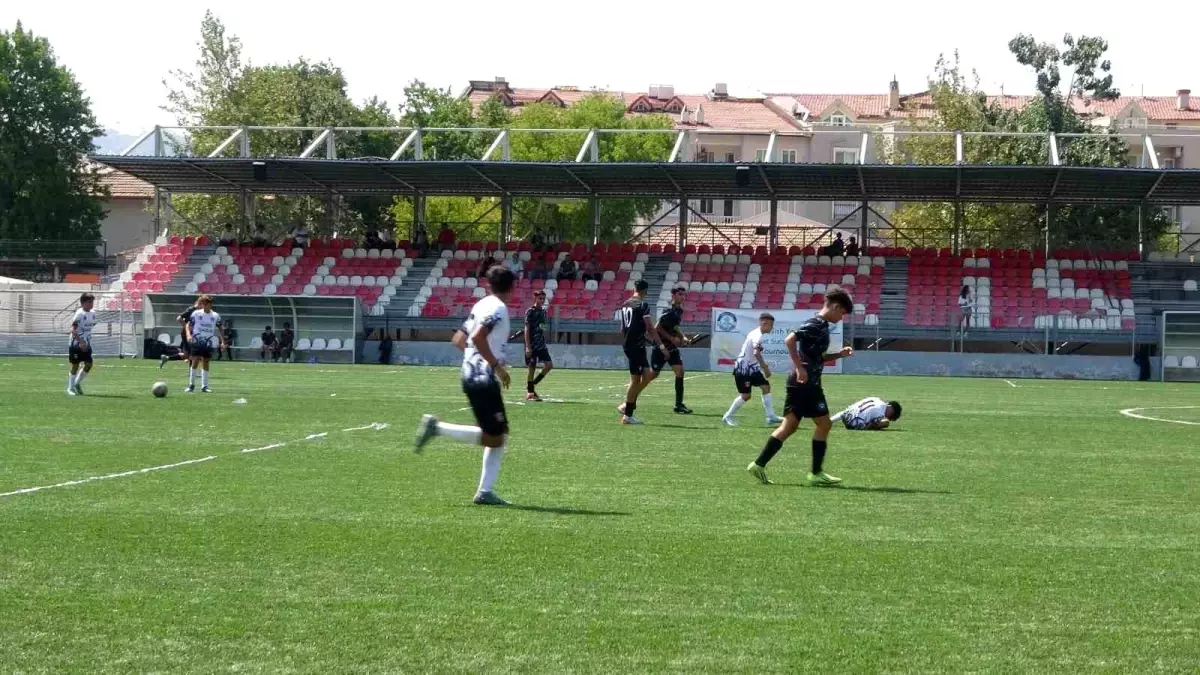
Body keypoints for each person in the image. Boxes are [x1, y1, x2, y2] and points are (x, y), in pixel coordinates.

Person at [413, 266, 516, 506]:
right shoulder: (498, 308)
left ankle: (485, 491)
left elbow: (459, 339)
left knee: (499, 434)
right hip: (482, 379)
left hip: (471, 375)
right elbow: (478, 337)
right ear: (512, 287)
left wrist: (480, 358)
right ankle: (437, 428)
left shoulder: (480, 305)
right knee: (495, 438)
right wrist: (495, 364)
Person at [746, 287, 855, 486]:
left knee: (790, 426)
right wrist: (800, 368)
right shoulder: (816, 324)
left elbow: (817, 357)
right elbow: (789, 339)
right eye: (842, 313)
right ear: (835, 306)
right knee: (823, 424)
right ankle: (815, 473)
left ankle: (758, 464)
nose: (841, 318)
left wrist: (839, 355)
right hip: (806, 384)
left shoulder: (821, 326)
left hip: (803, 384)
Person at [616, 279, 669, 425]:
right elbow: (650, 328)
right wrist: (662, 347)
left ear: (635, 288)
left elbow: (623, 327)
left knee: (647, 376)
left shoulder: (625, 304)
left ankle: (627, 405)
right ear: (645, 291)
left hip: (632, 344)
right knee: (636, 380)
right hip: (635, 346)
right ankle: (627, 414)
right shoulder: (642, 305)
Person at [722, 313, 784, 426]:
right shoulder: (757, 335)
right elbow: (756, 352)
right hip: (744, 369)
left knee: (766, 387)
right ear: (764, 323)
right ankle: (727, 416)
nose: (772, 327)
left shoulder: (756, 333)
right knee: (746, 395)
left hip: (752, 368)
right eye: (771, 325)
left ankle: (770, 416)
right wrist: (765, 368)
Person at [642, 286, 693, 414]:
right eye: (680, 294)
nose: (683, 297)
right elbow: (657, 328)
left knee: (680, 372)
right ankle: (633, 393)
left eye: (684, 294)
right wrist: (671, 338)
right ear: (673, 296)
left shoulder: (679, 311)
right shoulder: (669, 311)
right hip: (661, 348)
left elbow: (675, 327)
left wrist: (683, 337)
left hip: (672, 348)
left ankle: (678, 405)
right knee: (653, 374)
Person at [184, 295, 225, 393]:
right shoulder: (196, 314)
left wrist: (223, 342)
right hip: (196, 340)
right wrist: (188, 335)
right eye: (205, 304)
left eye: (209, 304)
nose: (207, 306)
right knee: (195, 361)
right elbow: (188, 325)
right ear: (202, 304)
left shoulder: (215, 316)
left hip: (208, 342)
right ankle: (191, 385)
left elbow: (220, 328)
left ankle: (204, 386)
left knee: (206, 362)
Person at [524, 290, 553, 401]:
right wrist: (528, 347)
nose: (542, 300)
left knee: (549, 365)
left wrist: (542, 325)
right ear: (535, 298)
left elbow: (543, 327)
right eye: (540, 298)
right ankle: (530, 393)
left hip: (541, 343)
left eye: (543, 299)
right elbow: (527, 329)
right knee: (532, 368)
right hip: (531, 344)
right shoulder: (530, 311)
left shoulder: (544, 312)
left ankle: (531, 385)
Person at [66, 293, 96, 395]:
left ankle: (76, 383)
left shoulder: (93, 313)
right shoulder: (79, 314)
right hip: (75, 343)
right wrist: (81, 342)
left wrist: (86, 339)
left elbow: (89, 327)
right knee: (75, 365)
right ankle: (70, 388)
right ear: (83, 303)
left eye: (92, 301)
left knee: (89, 364)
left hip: (86, 342)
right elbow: (73, 330)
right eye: (89, 302)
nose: (91, 304)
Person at [162, 299, 200, 369]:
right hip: (187, 334)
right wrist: (187, 328)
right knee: (191, 353)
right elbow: (179, 318)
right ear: (197, 303)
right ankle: (192, 372)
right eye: (200, 303)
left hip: (192, 333)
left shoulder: (200, 312)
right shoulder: (191, 309)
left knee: (187, 354)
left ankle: (167, 358)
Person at [831, 397, 902, 430]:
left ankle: (830, 420)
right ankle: (862, 425)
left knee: (852, 411)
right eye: (891, 416)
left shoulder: (875, 399)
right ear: (891, 408)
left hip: (847, 415)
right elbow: (884, 422)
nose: (888, 417)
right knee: (885, 422)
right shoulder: (880, 413)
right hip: (855, 423)